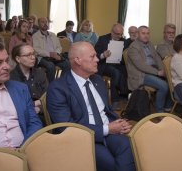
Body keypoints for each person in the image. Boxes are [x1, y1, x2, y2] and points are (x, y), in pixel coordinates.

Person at [47, 42, 135, 171]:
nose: (98, 59)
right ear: (78, 60)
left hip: (108, 130)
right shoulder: (58, 88)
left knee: (129, 147)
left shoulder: (98, 80)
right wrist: (107, 129)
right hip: (83, 137)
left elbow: (106, 110)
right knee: (111, 164)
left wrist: (118, 122)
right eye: (92, 56)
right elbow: (65, 127)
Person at [0, 39, 42, 162]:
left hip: (24, 154)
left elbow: (35, 123)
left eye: (6, 61)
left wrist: (23, 149)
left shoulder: (20, 89)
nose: (7, 67)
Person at [127, 25, 171, 112]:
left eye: (147, 33)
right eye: (143, 33)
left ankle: (168, 106)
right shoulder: (133, 47)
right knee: (164, 86)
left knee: (172, 80)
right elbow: (141, 66)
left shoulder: (149, 43)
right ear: (138, 34)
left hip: (152, 70)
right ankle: (159, 111)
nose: (146, 35)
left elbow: (157, 58)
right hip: (141, 74)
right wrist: (158, 72)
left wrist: (163, 69)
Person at [95, 23, 128, 110]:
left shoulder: (123, 41)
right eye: (117, 34)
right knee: (116, 73)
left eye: (121, 34)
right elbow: (96, 55)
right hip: (104, 64)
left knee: (126, 71)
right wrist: (103, 55)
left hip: (118, 64)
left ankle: (124, 95)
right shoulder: (103, 39)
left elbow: (126, 57)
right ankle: (115, 100)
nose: (119, 36)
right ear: (112, 32)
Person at [10, 44, 48, 114]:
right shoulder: (11, 78)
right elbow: (15, 105)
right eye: (28, 55)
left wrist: (39, 109)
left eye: (33, 54)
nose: (33, 57)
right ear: (18, 59)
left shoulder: (40, 73)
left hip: (43, 113)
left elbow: (47, 96)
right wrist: (34, 104)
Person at [32, 17, 70, 82]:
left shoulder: (53, 35)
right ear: (38, 24)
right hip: (42, 58)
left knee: (67, 64)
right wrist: (50, 54)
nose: (45, 24)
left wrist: (56, 53)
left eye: (46, 22)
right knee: (51, 66)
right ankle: (50, 86)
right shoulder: (35, 36)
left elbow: (59, 47)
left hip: (55, 56)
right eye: (42, 22)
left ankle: (62, 83)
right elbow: (36, 49)